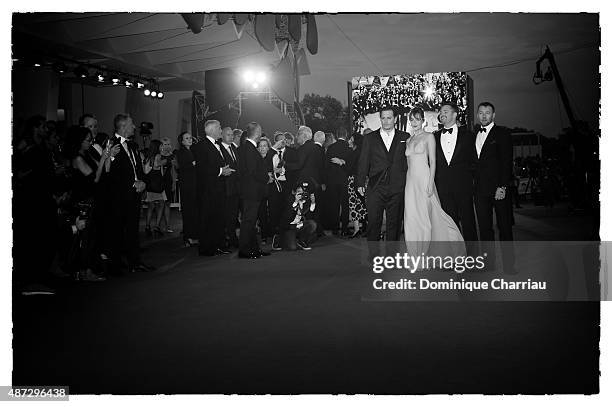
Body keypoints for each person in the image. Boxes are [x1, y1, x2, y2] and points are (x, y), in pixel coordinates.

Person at [403, 107, 465, 259]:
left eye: (417, 119)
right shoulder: (408, 140)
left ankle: (425, 255)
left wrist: (430, 182)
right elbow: (408, 164)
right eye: (412, 119)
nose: (414, 122)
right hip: (410, 183)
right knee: (411, 219)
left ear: (423, 121)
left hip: (424, 181)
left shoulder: (429, 137)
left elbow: (433, 162)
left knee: (425, 219)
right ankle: (415, 255)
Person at [356, 106, 409, 259]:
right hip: (375, 186)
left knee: (394, 224)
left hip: (397, 187)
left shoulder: (404, 136)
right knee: (373, 223)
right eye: (383, 118)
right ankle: (374, 256)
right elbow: (363, 161)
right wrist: (360, 182)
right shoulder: (370, 138)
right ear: (380, 119)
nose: (386, 121)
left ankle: (392, 257)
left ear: (395, 119)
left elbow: (408, 161)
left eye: (389, 118)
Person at [107, 114, 151, 274]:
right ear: (123, 126)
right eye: (132, 124)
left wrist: (143, 181)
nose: (135, 127)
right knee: (118, 230)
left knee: (133, 229)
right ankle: (116, 265)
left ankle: (135, 262)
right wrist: (133, 183)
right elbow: (111, 174)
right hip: (120, 195)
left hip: (135, 193)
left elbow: (137, 167)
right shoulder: (111, 144)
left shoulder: (132, 145)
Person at [473, 102, 515, 272]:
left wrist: (503, 186)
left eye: (487, 113)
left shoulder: (503, 133)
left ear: (493, 115)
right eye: (481, 113)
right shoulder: (474, 133)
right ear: (477, 115)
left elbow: (506, 162)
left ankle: (509, 266)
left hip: (499, 190)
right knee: (485, 229)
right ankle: (488, 265)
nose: (484, 116)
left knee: (504, 228)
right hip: (480, 190)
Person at [433, 103, 478, 246]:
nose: (442, 113)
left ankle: (472, 259)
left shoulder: (469, 136)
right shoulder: (434, 137)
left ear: (455, 114)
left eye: (445, 111)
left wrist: (470, 180)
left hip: (463, 186)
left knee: (468, 222)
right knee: (449, 225)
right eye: (440, 111)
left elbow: (474, 161)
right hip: (443, 188)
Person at [193, 120, 234, 256]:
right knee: (207, 219)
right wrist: (221, 171)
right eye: (219, 127)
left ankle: (218, 245)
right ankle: (206, 248)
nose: (221, 130)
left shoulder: (219, 146)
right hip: (207, 190)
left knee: (218, 218)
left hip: (219, 188)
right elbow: (203, 168)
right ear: (211, 130)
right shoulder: (201, 146)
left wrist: (224, 170)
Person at [238, 122, 272, 259]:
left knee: (251, 222)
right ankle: (245, 250)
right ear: (257, 132)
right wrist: (266, 178)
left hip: (252, 190)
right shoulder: (250, 148)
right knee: (248, 222)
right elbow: (252, 171)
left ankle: (253, 249)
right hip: (252, 191)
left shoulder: (249, 147)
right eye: (261, 131)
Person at [325, 127, 353, 236]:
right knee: (345, 205)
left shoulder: (331, 148)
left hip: (332, 180)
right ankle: (345, 228)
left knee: (334, 204)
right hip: (345, 179)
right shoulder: (349, 148)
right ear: (346, 135)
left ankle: (335, 228)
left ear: (337, 135)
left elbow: (326, 165)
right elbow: (351, 166)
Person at [218, 127, 240, 248]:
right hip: (225, 188)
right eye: (228, 135)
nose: (231, 137)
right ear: (222, 135)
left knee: (233, 215)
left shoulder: (234, 148)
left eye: (232, 135)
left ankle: (232, 238)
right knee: (226, 215)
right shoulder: (219, 149)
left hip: (235, 188)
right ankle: (226, 238)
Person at [176, 132, 199, 247]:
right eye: (187, 138)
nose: (190, 139)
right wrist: (194, 163)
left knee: (194, 211)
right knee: (188, 212)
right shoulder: (181, 153)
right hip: (187, 187)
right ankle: (188, 237)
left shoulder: (192, 151)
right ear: (182, 141)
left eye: (190, 138)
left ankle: (193, 236)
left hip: (194, 185)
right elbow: (183, 168)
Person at [143, 139, 167, 237]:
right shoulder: (158, 156)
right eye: (161, 146)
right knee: (161, 204)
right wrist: (164, 161)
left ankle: (148, 226)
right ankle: (157, 226)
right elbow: (157, 165)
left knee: (151, 206)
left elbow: (145, 171)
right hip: (157, 185)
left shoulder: (149, 157)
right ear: (157, 147)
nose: (162, 147)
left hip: (150, 185)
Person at [347, 133, 367, 238]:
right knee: (359, 204)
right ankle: (359, 228)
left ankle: (358, 229)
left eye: (351, 139)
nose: (349, 141)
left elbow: (350, 168)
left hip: (353, 180)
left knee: (354, 204)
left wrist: (342, 163)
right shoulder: (360, 152)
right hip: (359, 180)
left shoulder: (355, 153)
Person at [257, 137, 274, 244]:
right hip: (260, 189)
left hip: (272, 189)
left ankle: (272, 233)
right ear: (257, 148)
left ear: (268, 147)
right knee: (262, 213)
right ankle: (263, 236)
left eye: (265, 146)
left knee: (273, 211)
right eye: (260, 146)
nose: (262, 148)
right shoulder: (256, 159)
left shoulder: (273, 157)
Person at [160, 137, 177, 233]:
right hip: (159, 182)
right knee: (158, 204)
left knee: (167, 204)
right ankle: (155, 226)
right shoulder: (158, 156)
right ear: (161, 146)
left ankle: (168, 225)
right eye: (165, 144)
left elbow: (174, 172)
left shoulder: (172, 156)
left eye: (168, 144)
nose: (167, 146)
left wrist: (174, 183)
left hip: (168, 182)